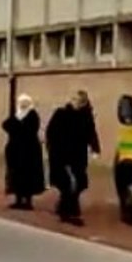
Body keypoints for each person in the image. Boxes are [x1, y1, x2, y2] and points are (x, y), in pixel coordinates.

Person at [46, 90, 101, 226]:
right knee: (67, 182)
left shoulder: (86, 116)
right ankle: (68, 212)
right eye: (75, 100)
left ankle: (66, 206)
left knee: (80, 182)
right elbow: (51, 132)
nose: (77, 103)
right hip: (61, 153)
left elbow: (91, 133)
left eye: (80, 101)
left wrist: (95, 149)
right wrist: (52, 147)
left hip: (78, 154)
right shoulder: (61, 114)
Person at [2, 94, 46, 211]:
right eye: (21, 102)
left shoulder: (32, 115)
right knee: (16, 173)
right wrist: (16, 126)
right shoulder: (16, 115)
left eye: (24, 103)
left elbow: (28, 130)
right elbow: (5, 125)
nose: (22, 105)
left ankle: (28, 201)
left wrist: (16, 128)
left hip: (29, 151)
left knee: (28, 174)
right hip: (15, 150)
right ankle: (18, 199)